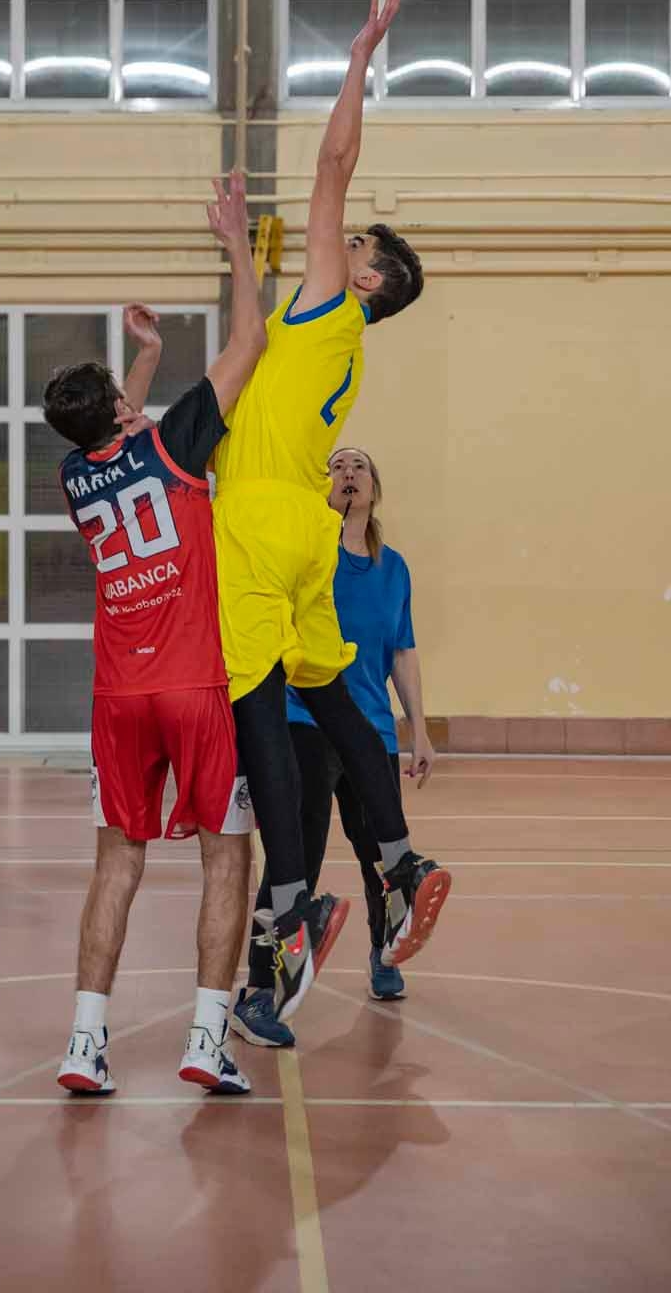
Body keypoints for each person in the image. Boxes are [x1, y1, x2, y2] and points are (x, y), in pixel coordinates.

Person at [212, 0, 451, 1022]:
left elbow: (331, 165)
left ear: (369, 279)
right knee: (339, 698)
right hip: (309, 533)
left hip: (256, 521)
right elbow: (248, 344)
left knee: (261, 718)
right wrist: (237, 252)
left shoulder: (331, 299)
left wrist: (359, 55)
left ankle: (291, 906)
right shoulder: (336, 347)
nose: (337, 239)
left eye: (354, 245)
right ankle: (396, 859)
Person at [44, 172, 266, 1098]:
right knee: (227, 854)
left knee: (116, 862)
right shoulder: (175, 443)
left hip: (118, 695)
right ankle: (206, 1039)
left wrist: (142, 359)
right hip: (193, 685)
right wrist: (237, 244)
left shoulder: (74, 475)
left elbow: (111, 436)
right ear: (123, 413)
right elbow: (250, 342)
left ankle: (83, 1045)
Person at [234, 445, 439, 1047]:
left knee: (381, 856)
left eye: (359, 467)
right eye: (337, 466)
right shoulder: (308, 554)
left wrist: (418, 727)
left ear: (375, 488)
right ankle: (260, 989)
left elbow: (402, 650)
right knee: (297, 855)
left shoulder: (393, 569)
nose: (348, 473)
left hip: (370, 730)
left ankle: (384, 951)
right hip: (304, 720)